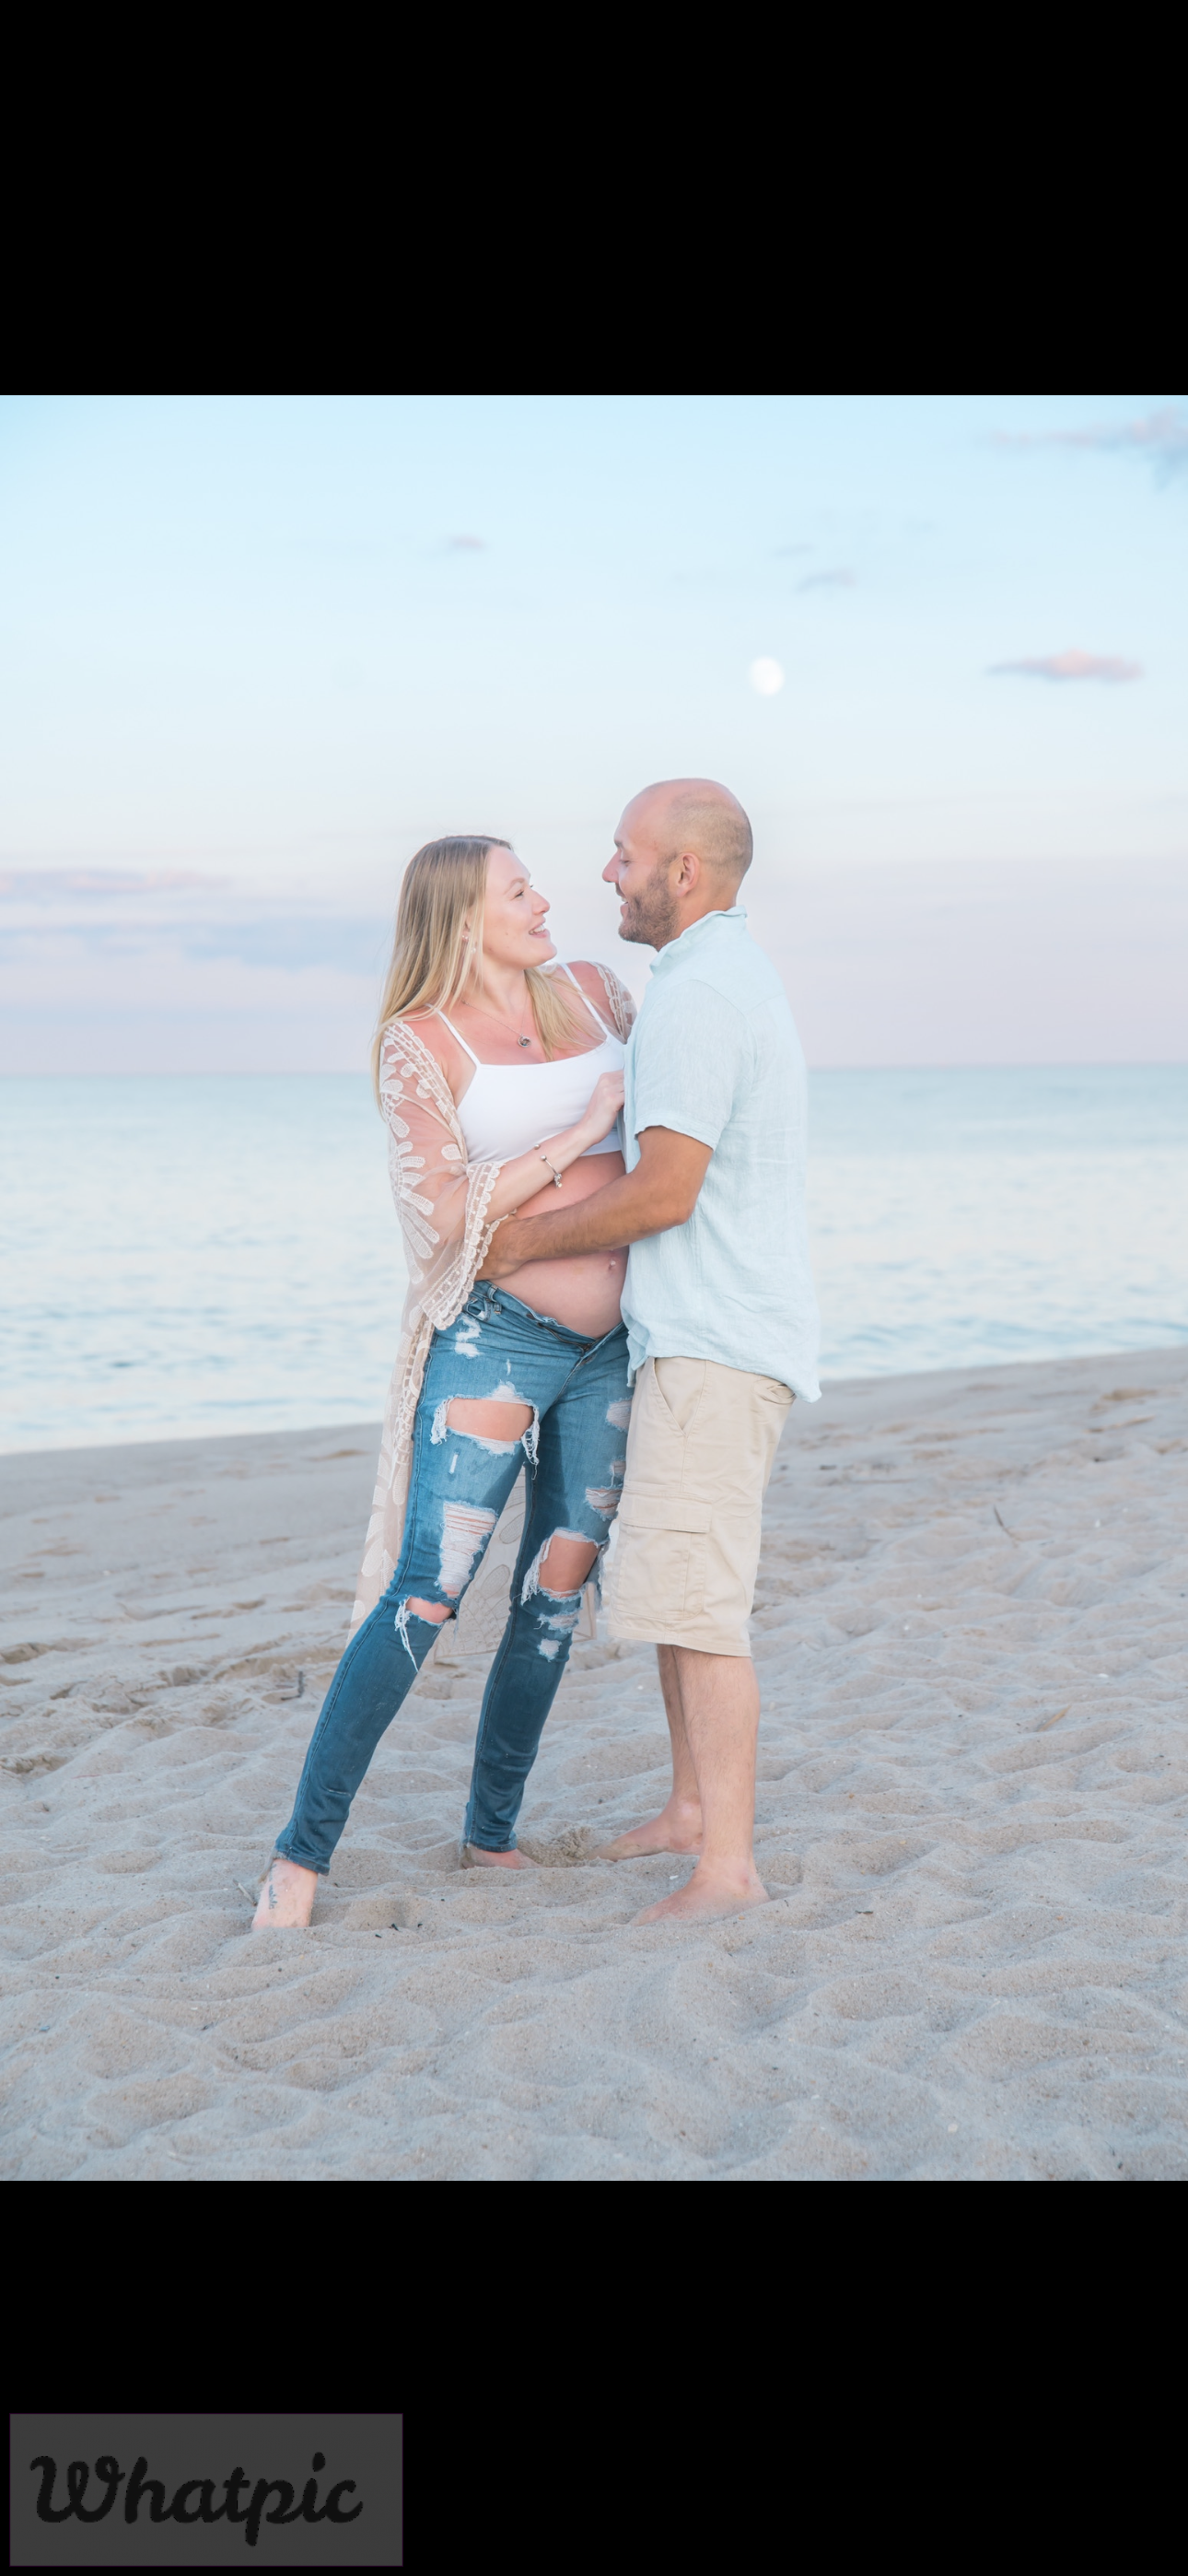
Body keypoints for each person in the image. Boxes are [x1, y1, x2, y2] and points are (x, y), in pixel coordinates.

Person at [253, 836, 635, 1928]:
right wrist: (580, 1133)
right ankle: (300, 1855)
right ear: (464, 918)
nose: (545, 900)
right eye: (519, 891)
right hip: (496, 1343)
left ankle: (491, 1834)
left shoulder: (599, 993)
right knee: (426, 1589)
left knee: (555, 1593)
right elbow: (444, 1217)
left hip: (613, 1351)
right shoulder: (417, 1043)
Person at [479, 779, 821, 1924]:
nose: (608, 874)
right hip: (708, 1335)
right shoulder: (711, 976)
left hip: (717, 1344)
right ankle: (688, 1810)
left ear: (685, 870)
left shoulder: (698, 995)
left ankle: (728, 1869)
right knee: (674, 1594)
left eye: (625, 855)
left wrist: (520, 1242)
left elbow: (665, 1191)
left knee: (701, 1605)